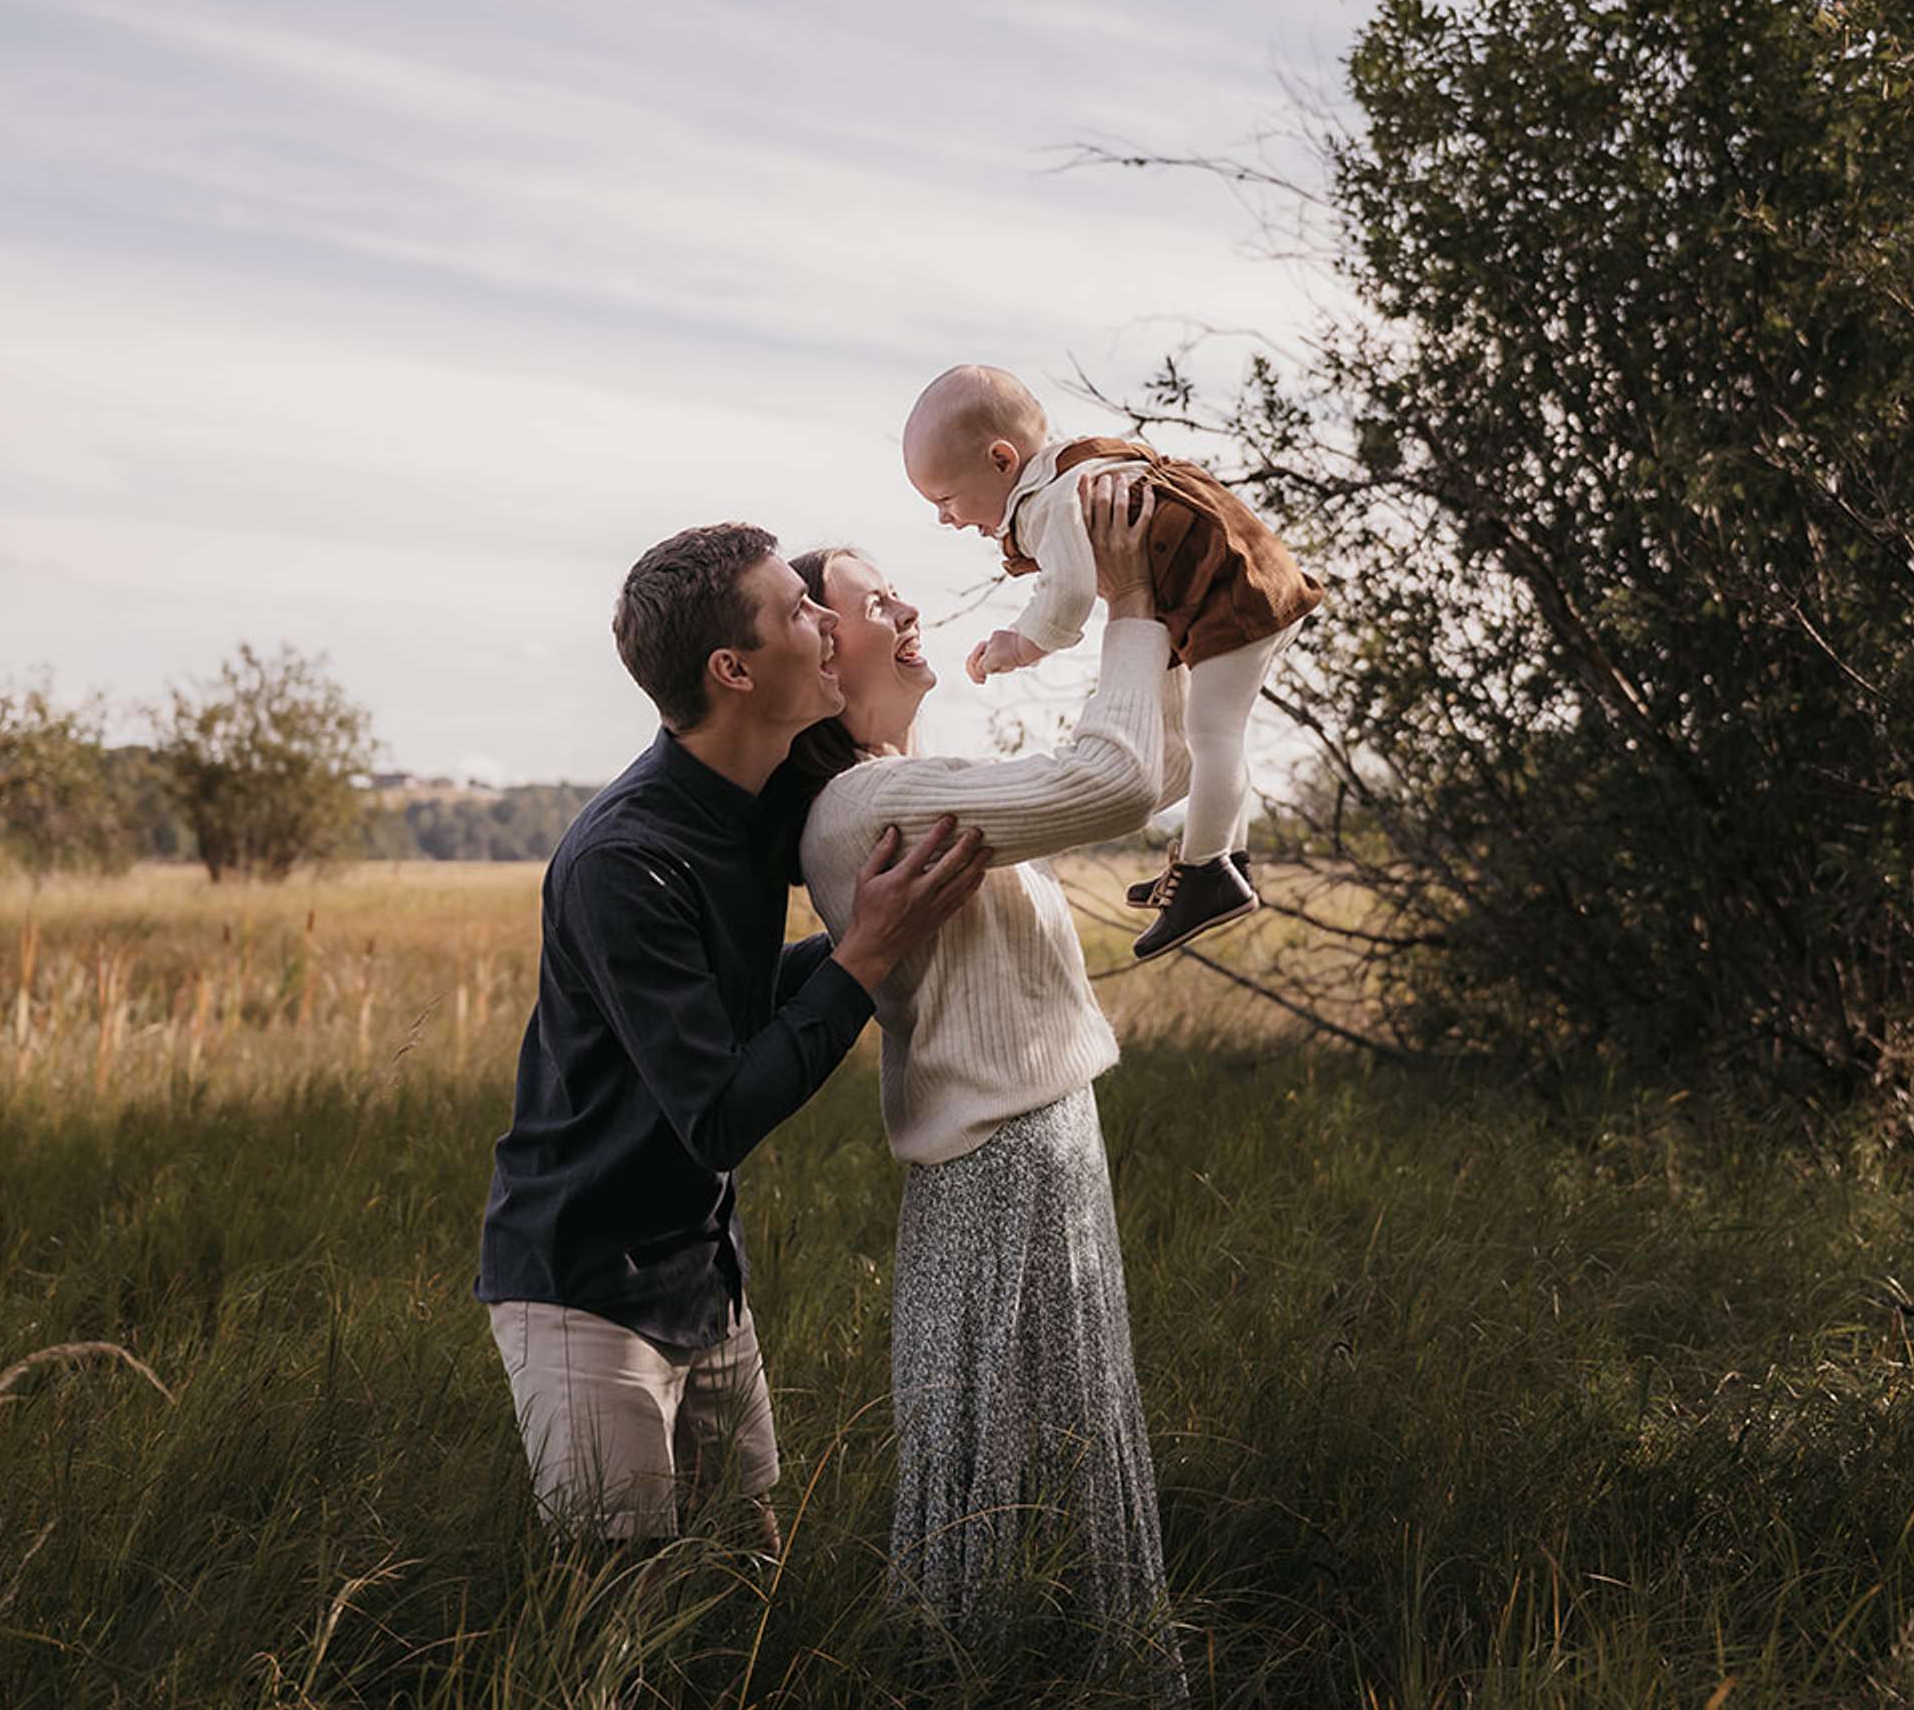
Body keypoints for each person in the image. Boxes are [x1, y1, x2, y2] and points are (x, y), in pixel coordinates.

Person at [475, 521, 990, 1551]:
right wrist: (857, 962)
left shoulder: (751, 811)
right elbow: (715, 1113)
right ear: (732, 670)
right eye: (798, 610)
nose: (823, 622)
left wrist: (866, 934)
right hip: (582, 1287)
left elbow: (745, 1000)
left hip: (702, 1279)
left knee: (749, 1571)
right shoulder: (624, 861)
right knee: (620, 1606)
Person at [787, 469, 1189, 1695]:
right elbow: (1114, 780)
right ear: (817, 656)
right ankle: (994, 1677)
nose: (904, 608)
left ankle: (1054, 1674)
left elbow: (1157, 771)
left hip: (1041, 1145)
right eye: (868, 604)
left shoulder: (922, 774)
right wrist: (1123, 601)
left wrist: (1159, 611)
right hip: (997, 1165)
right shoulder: (866, 804)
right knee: (999, 1469)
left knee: (1050, 1452)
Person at [901, 363, 1321, 959]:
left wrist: (1016, 645)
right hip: (1225, 590)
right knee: (1212, 734)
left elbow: (1068, 595)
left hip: (1234, 594)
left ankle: (1206, 875)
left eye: (945, 499)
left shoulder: (1049, 502)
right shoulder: (1073, 466)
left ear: (1000, 460)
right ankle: (1227, 861)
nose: (944, 518)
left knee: (1212, 734)